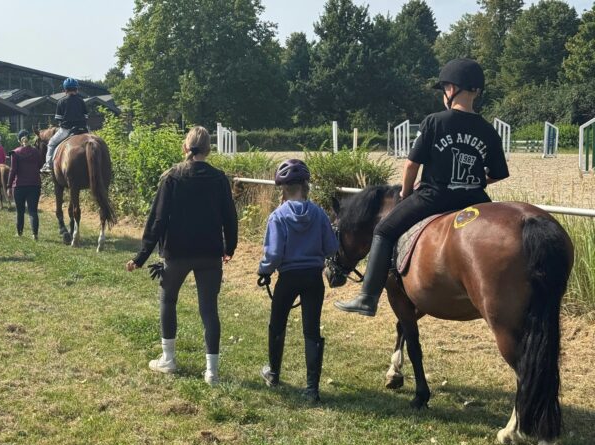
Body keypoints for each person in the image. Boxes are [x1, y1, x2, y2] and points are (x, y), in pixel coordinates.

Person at [334, 58, 510, 317]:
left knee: (383, 230)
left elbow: (411, 167)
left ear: (452, 89)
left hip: (435, 197)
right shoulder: (488, 130)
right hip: (476, 200)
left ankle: (367, 298)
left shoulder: (434, 122)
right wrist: (473, 182)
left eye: (444, 89)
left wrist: (405, 194)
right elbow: (498, 174)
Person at [125, 126, 238, 386]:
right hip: (210, 253)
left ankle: (169, 359)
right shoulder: (219, 179)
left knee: (168, 299)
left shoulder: (172, 177)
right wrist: (229, 248)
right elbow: (229, 218)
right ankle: (212, 371)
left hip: (177, 253)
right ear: (209, 149)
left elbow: (157, 220)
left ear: (185, 147)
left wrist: (141, 257)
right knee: (209, 310)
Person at [257, 159, 338, 403]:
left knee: (277, 323)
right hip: (313, 277)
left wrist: (264, 271)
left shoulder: (277, 216)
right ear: (305, 186)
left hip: (288, 278)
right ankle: (312, 388)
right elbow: (331, 247)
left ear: (283, 189)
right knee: (311, 330)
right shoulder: (319, 213)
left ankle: (273, 373)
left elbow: (273, 254)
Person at [41, 78, 89, 173]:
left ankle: (48, 165)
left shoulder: (61, 102)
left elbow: (58, 118)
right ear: (76, 89)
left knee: (51, 143)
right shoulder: (81, 101)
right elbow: (86, 116)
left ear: (65, 90)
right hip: (83, 129)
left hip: (66, 130)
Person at [7, 130, 43, 240]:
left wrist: (9, 185)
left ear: (19, 140)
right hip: (34, 184)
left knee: (20, 211)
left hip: (19, 185)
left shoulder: (15, 152)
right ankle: (35, 234)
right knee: (33, 210)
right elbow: (40, 165)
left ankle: (19, 232)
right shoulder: (36, 152)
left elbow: (13, 170)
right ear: (29, 139)